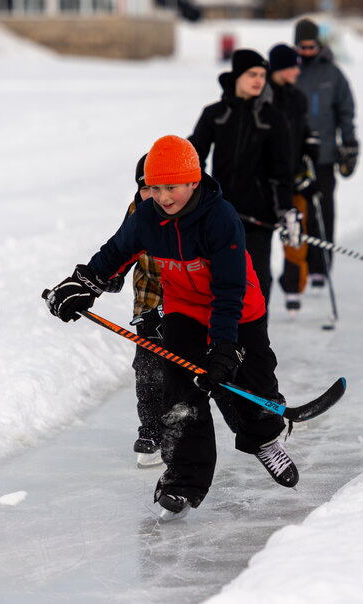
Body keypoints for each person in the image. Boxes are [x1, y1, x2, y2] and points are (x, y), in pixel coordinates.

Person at [46, 135, 299, 519]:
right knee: (179, 393)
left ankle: (264, 439)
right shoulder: (147, 217)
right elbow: (116, 253)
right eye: (156, 187)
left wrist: (225, 346)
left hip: (238, 310)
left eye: (172, 187)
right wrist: (82, 285)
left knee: (253, 381)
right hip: (184, 309)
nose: (163, 197)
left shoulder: (221, 219)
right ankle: (183, 480)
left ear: (194, 181)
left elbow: (229, 290)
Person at [189, 49, 298, 306]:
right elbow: (194, 159)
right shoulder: (215, 113)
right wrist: (200, 198)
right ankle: (222, 341)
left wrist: (285, 210)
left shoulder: (272, 118)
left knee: (256, 281)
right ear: (237, 76)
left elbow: (282, 170)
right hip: (220, 215)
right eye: (252, 74)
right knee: (219, 280)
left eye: (262, 75)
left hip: (258, 219)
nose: (259, 80)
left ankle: (256, 341)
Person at [293, 17, 358, 289]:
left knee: (324, 211)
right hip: (295, 158)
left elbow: (346, 112)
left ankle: (321, 267)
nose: (306, 52)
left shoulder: (332, 73)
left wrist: (350, 144)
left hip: (324, 156)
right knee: (298, 212)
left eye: (311, 47)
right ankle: (298, 269)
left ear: (318, 44)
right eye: (302, 47)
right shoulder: (288, 71)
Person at [268, 43, 320, 314]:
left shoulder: (297, 98)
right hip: (268, 181)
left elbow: (303, 131)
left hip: (294, 176)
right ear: (280, 68)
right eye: (293, 67)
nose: (297, 72)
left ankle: (292, 287)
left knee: (296, 234)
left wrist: (310, 145)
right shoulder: (263, 96)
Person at [125, 154, 166, 467]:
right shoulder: (137, 211)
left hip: (188, 302)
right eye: (145, 187)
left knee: (193, 369)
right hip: (149, 300)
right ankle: (151, 430)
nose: (153, 195)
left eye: (160, 187)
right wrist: (103, 281)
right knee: (148, 367)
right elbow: (122, 250)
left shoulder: (186, 211)